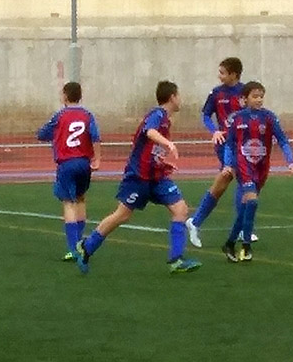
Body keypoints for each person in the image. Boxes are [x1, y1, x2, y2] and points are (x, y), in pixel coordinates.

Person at [72, 81, 201, 274]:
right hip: (138, 177)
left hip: (157, 177)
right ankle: (87, 246)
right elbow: (150, 132)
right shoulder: (157, 115)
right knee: (122, 215)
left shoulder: (166, 120)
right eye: (179, 95)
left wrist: (163, 162)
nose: (180, 99)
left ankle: (176, 260)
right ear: (173, 97)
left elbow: (151, 150)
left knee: (180, 209)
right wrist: (169, 144)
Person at [221, 81, 293, 262]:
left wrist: (290, 160)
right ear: (244, 99)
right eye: (255, 96)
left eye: (261, 96)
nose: (259, 100)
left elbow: (282, 140)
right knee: (252, 202)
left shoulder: (269, 118)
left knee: (247, 207)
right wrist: (228, 164)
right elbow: (230, 144)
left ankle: (230, 243)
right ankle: (246, 245)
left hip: (261, 168)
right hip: (243, 167)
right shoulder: (237, 119)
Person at [186, 57, 250, 247]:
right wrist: (214, 131)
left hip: (243, 144)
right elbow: (205, 115)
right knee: (241, 178)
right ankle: (241, 229)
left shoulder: (245, 92)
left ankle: (195, 221)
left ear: (234, 74)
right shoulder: (216, 93)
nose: (219, 75)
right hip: (225, 144)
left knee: (225, 182)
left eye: (222, 72)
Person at [36, 81, 101, 261]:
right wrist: (97, 158)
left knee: (68, 203)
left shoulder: (59, 116)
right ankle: (81, 243)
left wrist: (50, 134)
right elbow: (95, 137)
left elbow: (42, 134)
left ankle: (73, 248)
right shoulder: (88, 115)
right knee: (80, 199)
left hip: (67, 163)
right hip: (84, 163)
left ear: (65, 95)